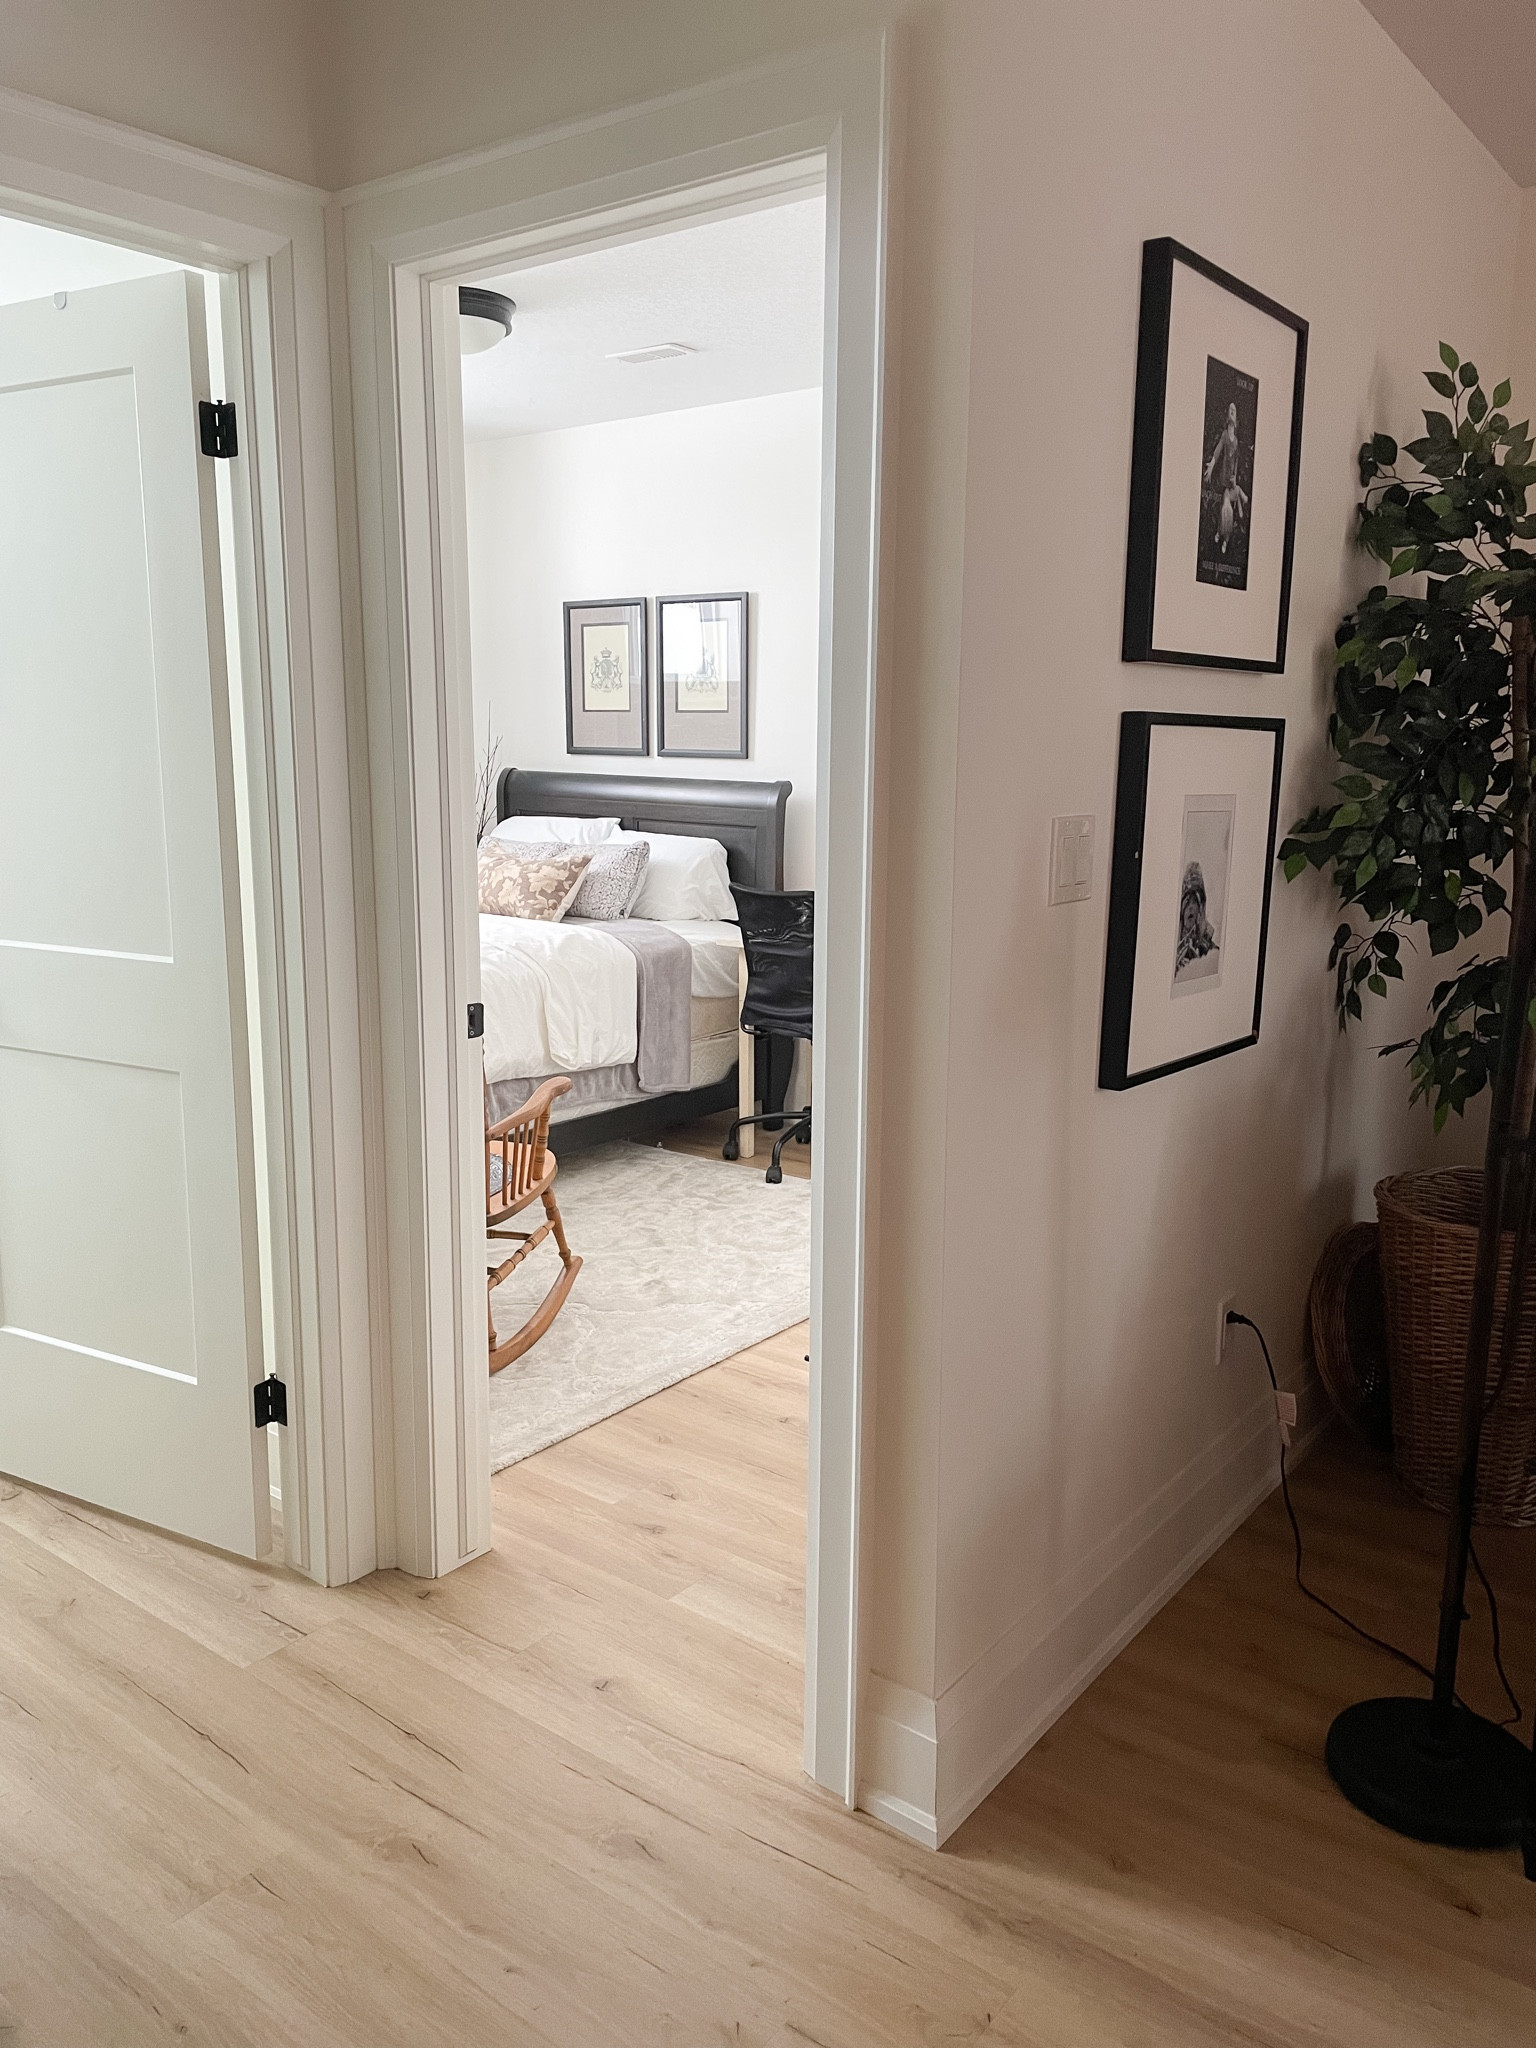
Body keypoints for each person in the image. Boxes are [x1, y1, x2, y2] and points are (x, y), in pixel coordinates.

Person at [1203, 400, 1249, 555]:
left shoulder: (1236, 441)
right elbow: (1218, 450)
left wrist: (1235, 477)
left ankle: (1224, 538)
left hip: (1231, 482)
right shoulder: (1225, 435)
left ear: (1236, 418)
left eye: (1234, 410)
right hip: (1223, 481)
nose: (1232, 411)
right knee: (1224, 510)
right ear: (1227, 415)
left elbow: (1235, 460)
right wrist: (1212, 464)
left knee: (1228, 512)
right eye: (1230, 409)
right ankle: (1220, 534)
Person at [1175, 860, 1219, 977]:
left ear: (1201, 908)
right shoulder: (1171, 950)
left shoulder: (1213, 953)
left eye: (1195, 901)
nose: (1191, 907)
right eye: (1187, 901)